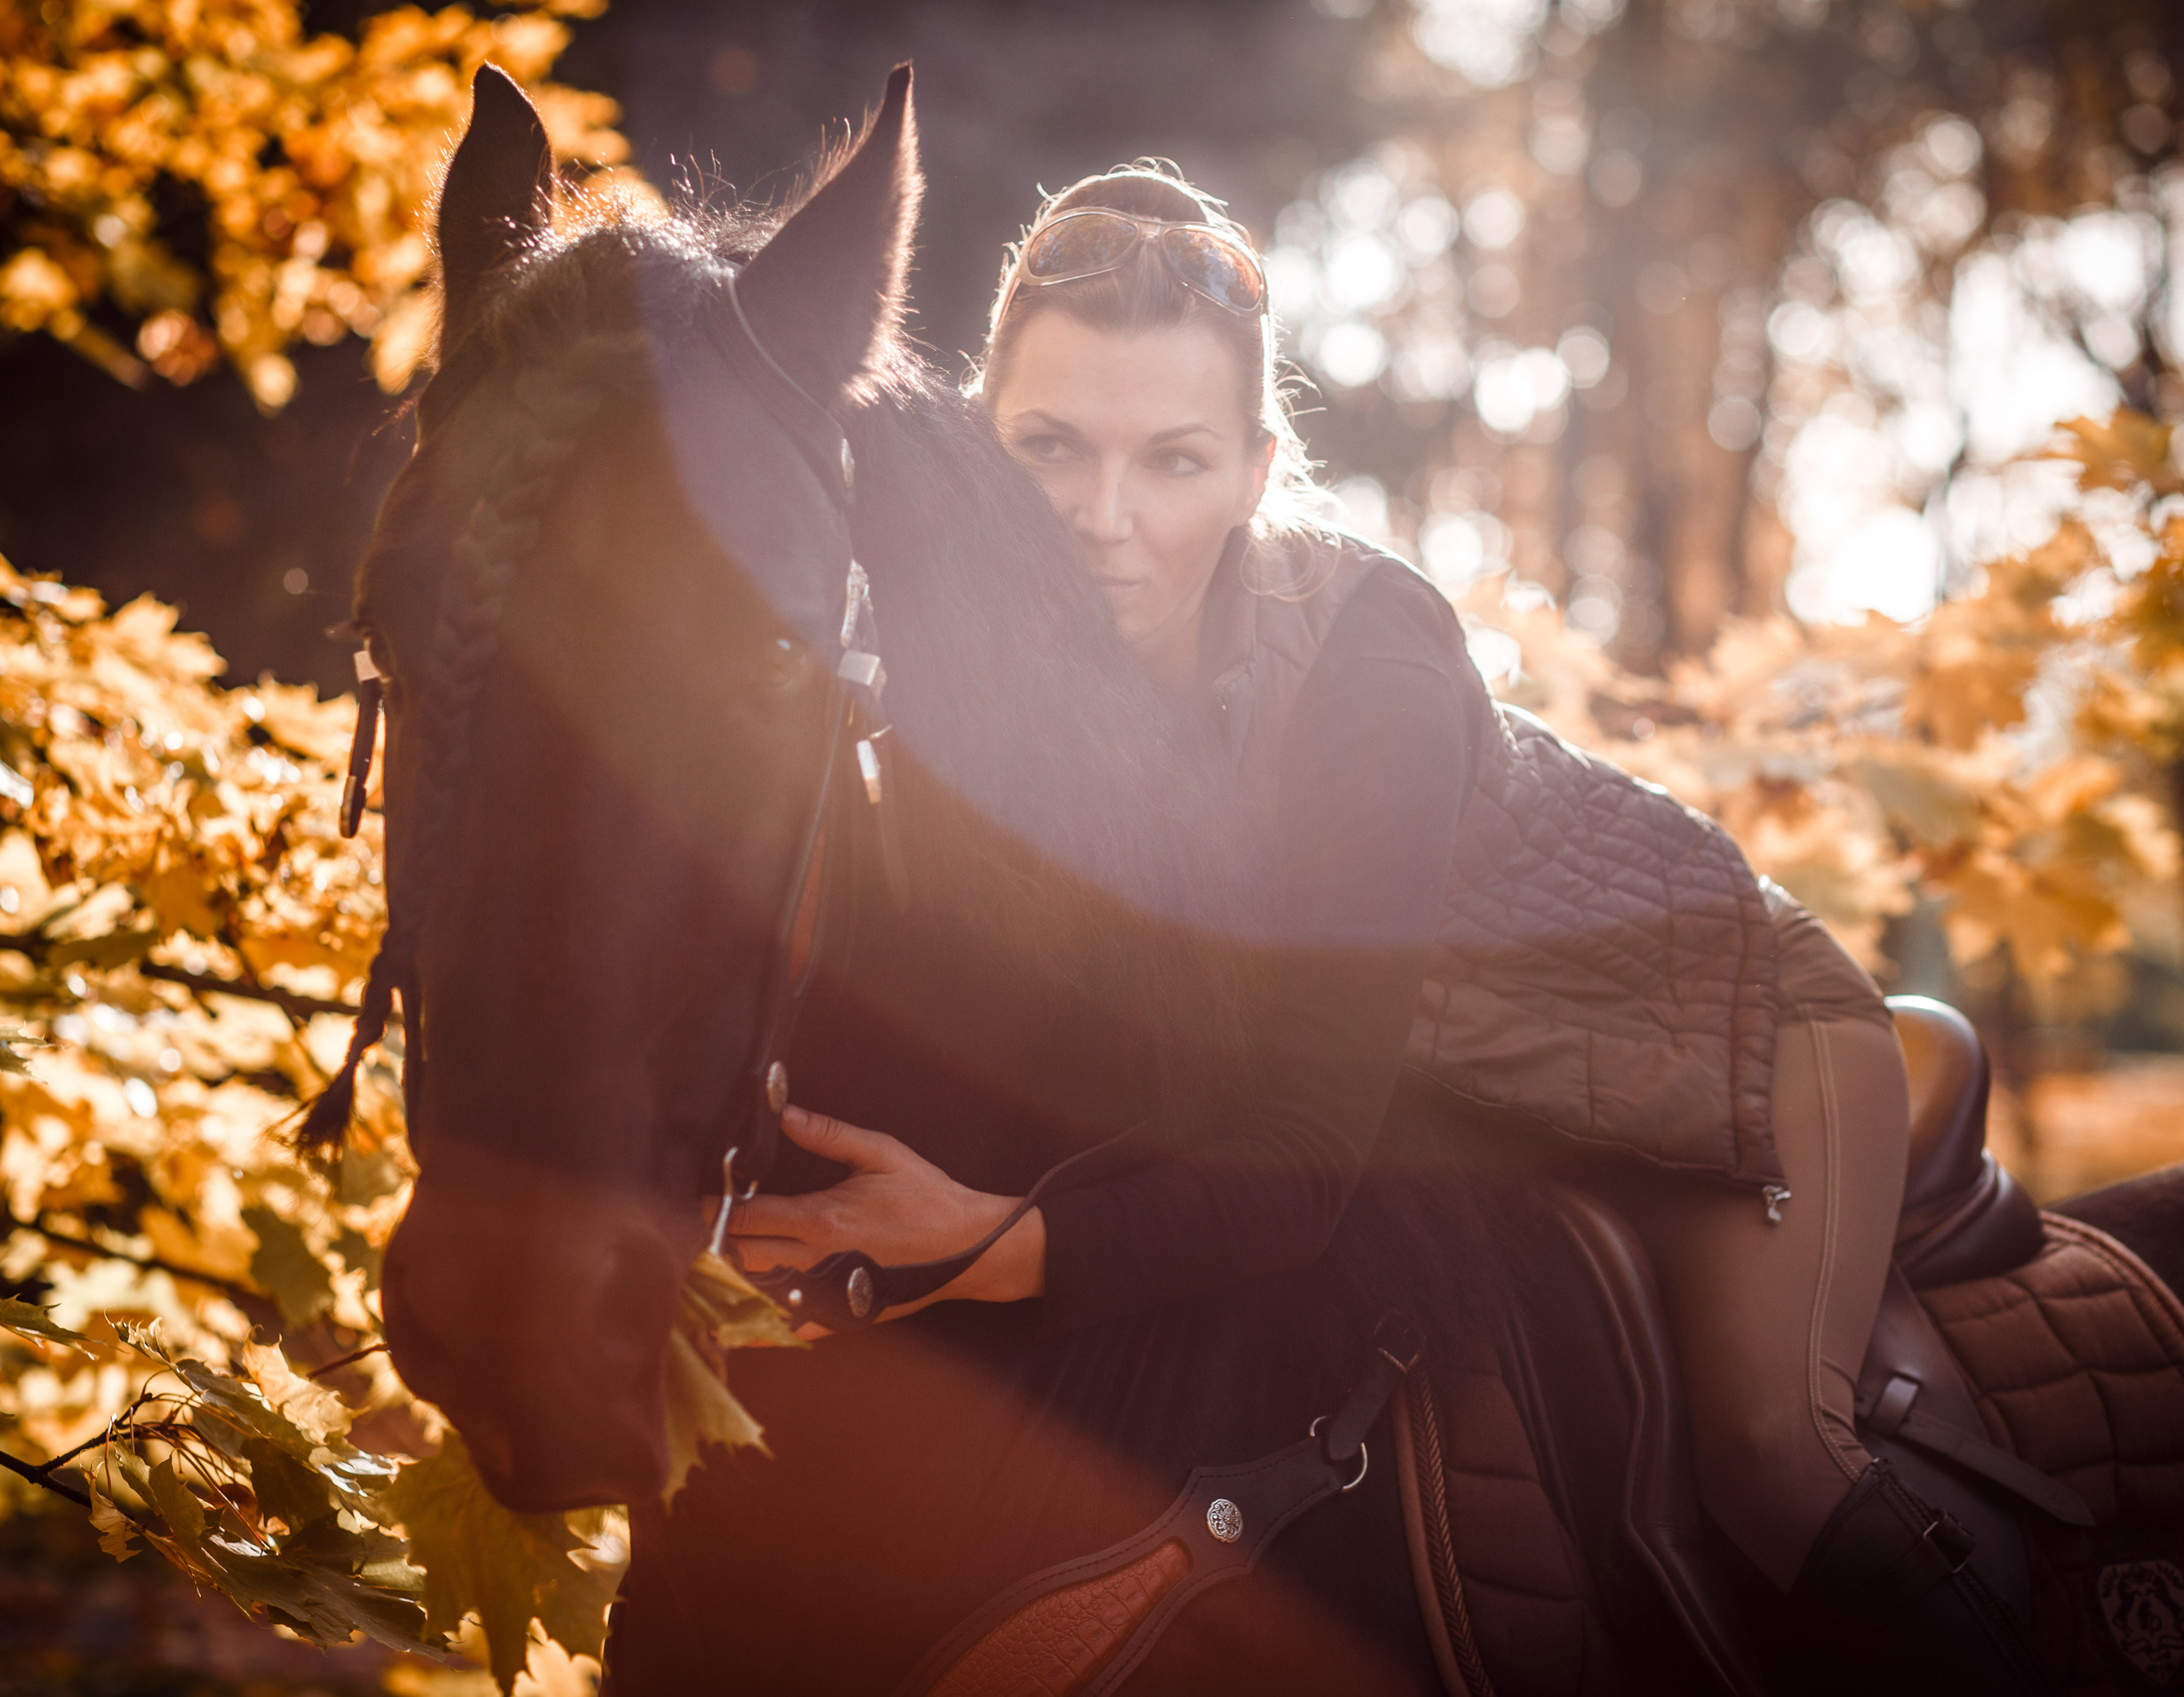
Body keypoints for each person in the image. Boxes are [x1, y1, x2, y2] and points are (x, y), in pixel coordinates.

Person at [722, 164, 2031, 1694]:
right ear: (978, 439)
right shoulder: (988, 651)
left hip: (1724, 1053)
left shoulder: (1366, 668)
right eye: (1050, 446)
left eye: (1174, 460)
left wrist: (989, 1248)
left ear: (1257, 471)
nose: (1101, 519)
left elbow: (1303, 1153)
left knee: (1768, 1459)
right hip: (1459, 1100)